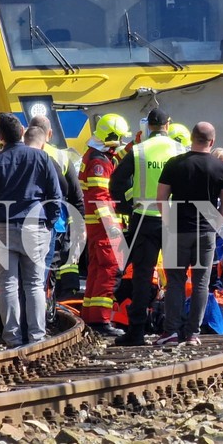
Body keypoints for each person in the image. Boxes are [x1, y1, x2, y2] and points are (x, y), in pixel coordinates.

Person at [0, 113, 62, 348]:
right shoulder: (41, 157)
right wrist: (49, 223)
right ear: (23, 131)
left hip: (2, 227)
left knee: (8, 285)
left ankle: (12, 338)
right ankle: (36, 337)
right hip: (35, 227)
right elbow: (56, 196)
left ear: (0, 136)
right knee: (34, 284)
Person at [110, 108, 187, 346]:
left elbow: (116, 183)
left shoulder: (138, 150)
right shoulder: (180, 150)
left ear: (148, 126)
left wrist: (127, 205)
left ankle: (136, 332)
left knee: (142, 277)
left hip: (143, 219)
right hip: (173, 219)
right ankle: (175, 329)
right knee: (176, 276)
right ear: (168, 124)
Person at [155, 122, 223, 346]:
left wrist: (170, 222)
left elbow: (161, 198)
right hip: (206, 233)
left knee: (175, 282)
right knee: (201, 283)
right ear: (212, 141)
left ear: (191, 138)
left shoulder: (175, 164)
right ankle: (192, 334)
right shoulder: (221, 168)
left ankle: (171, 332)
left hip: (177, 231)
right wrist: (215, 225)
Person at [76, 113, 132, 336]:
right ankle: (101, 320)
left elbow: (117, 160)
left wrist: (134, 144)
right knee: (110, 269)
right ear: (111, 137)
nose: (122, 142)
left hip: (95, 226)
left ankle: (90, 317)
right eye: (120, 138)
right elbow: (100, 196)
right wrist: (113, 226)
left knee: (97, 270)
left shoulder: (95, 154)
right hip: (104, 225)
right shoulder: (99, 162)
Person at [26, 116, 85, 295]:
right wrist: (80, 226)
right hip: (57, 223)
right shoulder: (62, 157)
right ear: (49, 134)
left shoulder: (19, 154)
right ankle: (61, 301)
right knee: (58, 267)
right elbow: (75, 195)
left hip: (24, 223)